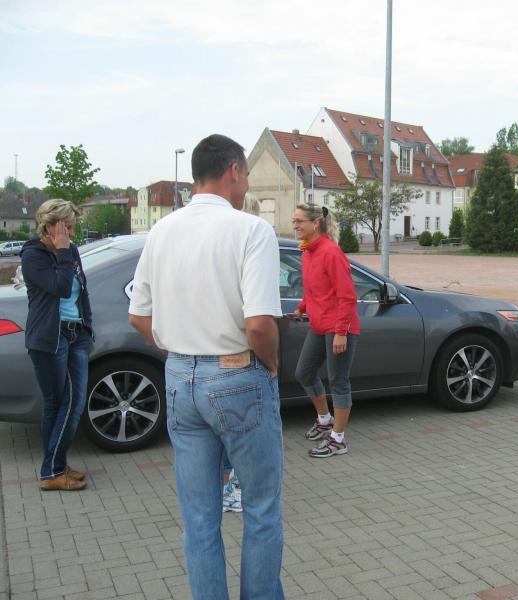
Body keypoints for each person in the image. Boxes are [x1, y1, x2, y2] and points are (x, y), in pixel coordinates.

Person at [128, 134, 285, 599]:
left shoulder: (161, 231)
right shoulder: (251, 230)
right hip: (238, 375)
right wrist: (272, 364)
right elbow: (259, 324)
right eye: (247, 175)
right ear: (234, 171)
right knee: (261, 508)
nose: (247, 184)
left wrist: (180, 351)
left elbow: (138, 316)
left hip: (180, 379)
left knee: (199, 517)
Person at [21, 199, 92, 491]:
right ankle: (51, 472)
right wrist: (62, 252)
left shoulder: (71, 251)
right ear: (51, 227)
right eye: (68, 227)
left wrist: (88, 329)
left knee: (63, 403)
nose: (72, 234)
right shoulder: (32, 255)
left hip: (76, 335)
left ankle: (56, 464)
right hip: (50, 338)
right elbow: (61, 288)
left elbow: (81, 291)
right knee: (66, 403)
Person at [293, 204, 360, 457]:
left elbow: (347, 295)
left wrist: (341, 332)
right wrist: (303, 305)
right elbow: (316, 288)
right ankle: (324, 420)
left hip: (340, 326)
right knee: (304, 372)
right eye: (294, 221)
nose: (295, 226)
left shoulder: (331, 252)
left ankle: (338, 440)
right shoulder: (307, 252)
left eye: (300, 221)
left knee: (338, 381)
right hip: (319, 325)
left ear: (316, 223)